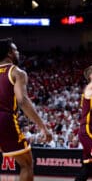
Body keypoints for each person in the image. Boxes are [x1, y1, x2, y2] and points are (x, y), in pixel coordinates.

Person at [0, 38, 52, 181]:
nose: (18, 52)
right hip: (4, 120)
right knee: (27, 165)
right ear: (10, 53)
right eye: (16, 49)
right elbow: (22, 101)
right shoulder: (16, 72)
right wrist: (43, 127)